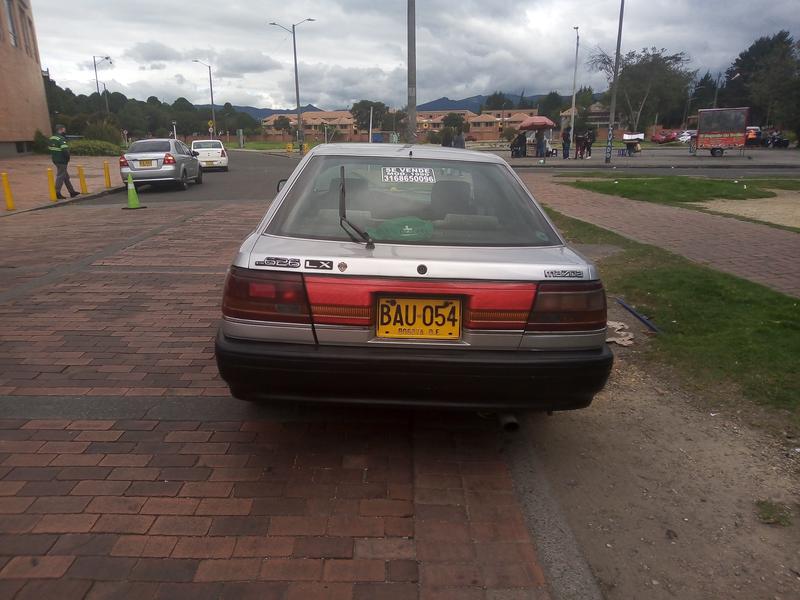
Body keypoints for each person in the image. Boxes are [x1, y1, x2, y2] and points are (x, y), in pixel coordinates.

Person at [48, 124, 79, 199]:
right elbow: (65, 150)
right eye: (64, 129)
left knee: (65, 176)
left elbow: (49, 148)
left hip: (55, 160)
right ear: (61, 129)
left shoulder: (51, 138)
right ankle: (57, 192)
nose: (65, 131)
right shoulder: (61, 138)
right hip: (62, 160)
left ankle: (72, 192)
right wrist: (68, 158)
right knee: (61, 176)